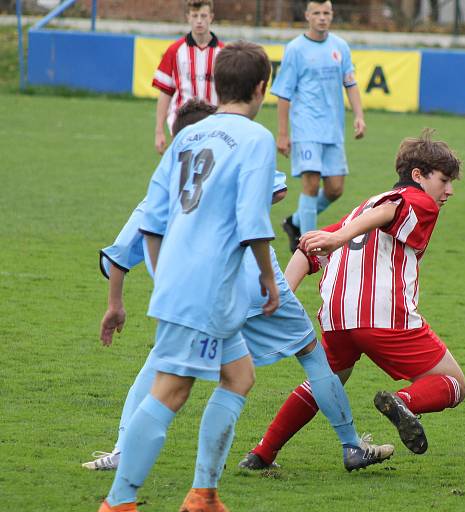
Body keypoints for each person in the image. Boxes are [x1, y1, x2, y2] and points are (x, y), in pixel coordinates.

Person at [84, 100, 392, 477]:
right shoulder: (237, 157)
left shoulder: (161, 189)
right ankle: (351, 445)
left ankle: (124, 451)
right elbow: (275, 192)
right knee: (308, 357)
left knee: (164, 366)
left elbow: (118, 255)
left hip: (200, 291)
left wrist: (115, 304)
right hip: (257, 282)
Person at [240, 129, 465, 470]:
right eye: (444, 180)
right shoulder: (413, 199)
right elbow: (396, 208)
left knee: (327, 381)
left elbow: (307, 248)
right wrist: (343, 237)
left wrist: (282, 293)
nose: (449, 190)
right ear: (418, 175)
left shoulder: (365, 206)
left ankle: (262, 453)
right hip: (383, 315)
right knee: (454, 384)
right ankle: (403, 402)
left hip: (336, 316)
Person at [271, 0, 366, 252]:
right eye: (317, 13)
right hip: (306, 128)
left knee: (335, 189)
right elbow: (283, 94)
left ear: (332, 15)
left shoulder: (340, 46)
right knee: (311, 185)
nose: (322, 17)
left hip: (333, 129)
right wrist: (283, 134)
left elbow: (350, 83)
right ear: (307, 16)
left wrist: (359, 115)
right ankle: (310, 249)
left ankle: (295, 222)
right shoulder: (295, 49)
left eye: (326, 13)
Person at [153, 0, 222, 154]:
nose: (199, 21)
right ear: (188, 17)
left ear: (211, 17)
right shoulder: (174, 51)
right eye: (195, 15)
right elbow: (165, 93)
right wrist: (159, 131)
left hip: (214, 126)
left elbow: (229, 96)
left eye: (203, 16)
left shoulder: (223, 53)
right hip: (181, 124)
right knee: (183, 173)